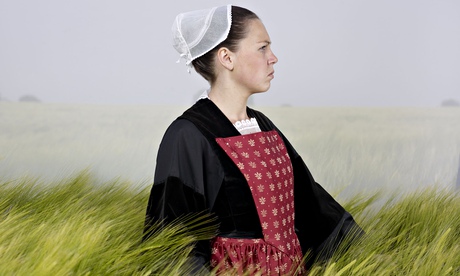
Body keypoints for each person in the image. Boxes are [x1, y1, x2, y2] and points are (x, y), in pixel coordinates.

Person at [144, 5, 363, 275]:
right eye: (262, 48)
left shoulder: (263, 126)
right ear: (226, 57)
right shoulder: (188, 135)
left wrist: (368, 255)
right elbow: (176, 238)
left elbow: (310, 203)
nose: (273, 58)